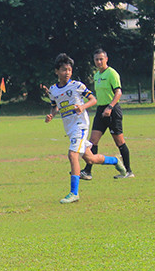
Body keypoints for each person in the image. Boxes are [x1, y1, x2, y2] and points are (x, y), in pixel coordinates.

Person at [45, 53, 127, 204]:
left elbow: (93, 99)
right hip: (69, 128)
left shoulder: (77, 86)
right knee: (90, 158)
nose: (67, 72)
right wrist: (51, 115)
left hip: (80, 125)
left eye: (69, 69)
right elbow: (54, 106)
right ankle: (115, 161)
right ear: (57, 71)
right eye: (64, 69)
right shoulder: (53, 90)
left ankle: (73, 193)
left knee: (72, 155)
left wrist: (82, 106)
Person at [80, 48, 133, 180]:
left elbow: (118, 92)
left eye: (101, 59)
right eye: (96, 59)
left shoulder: (112, 73)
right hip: (100, 110)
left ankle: (128, 171)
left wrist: (110, 107)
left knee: (119, 141)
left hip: (112, 110)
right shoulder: (97, 75)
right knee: (93, 141)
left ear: (106, 59)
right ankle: (88, 171)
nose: (99, 62)